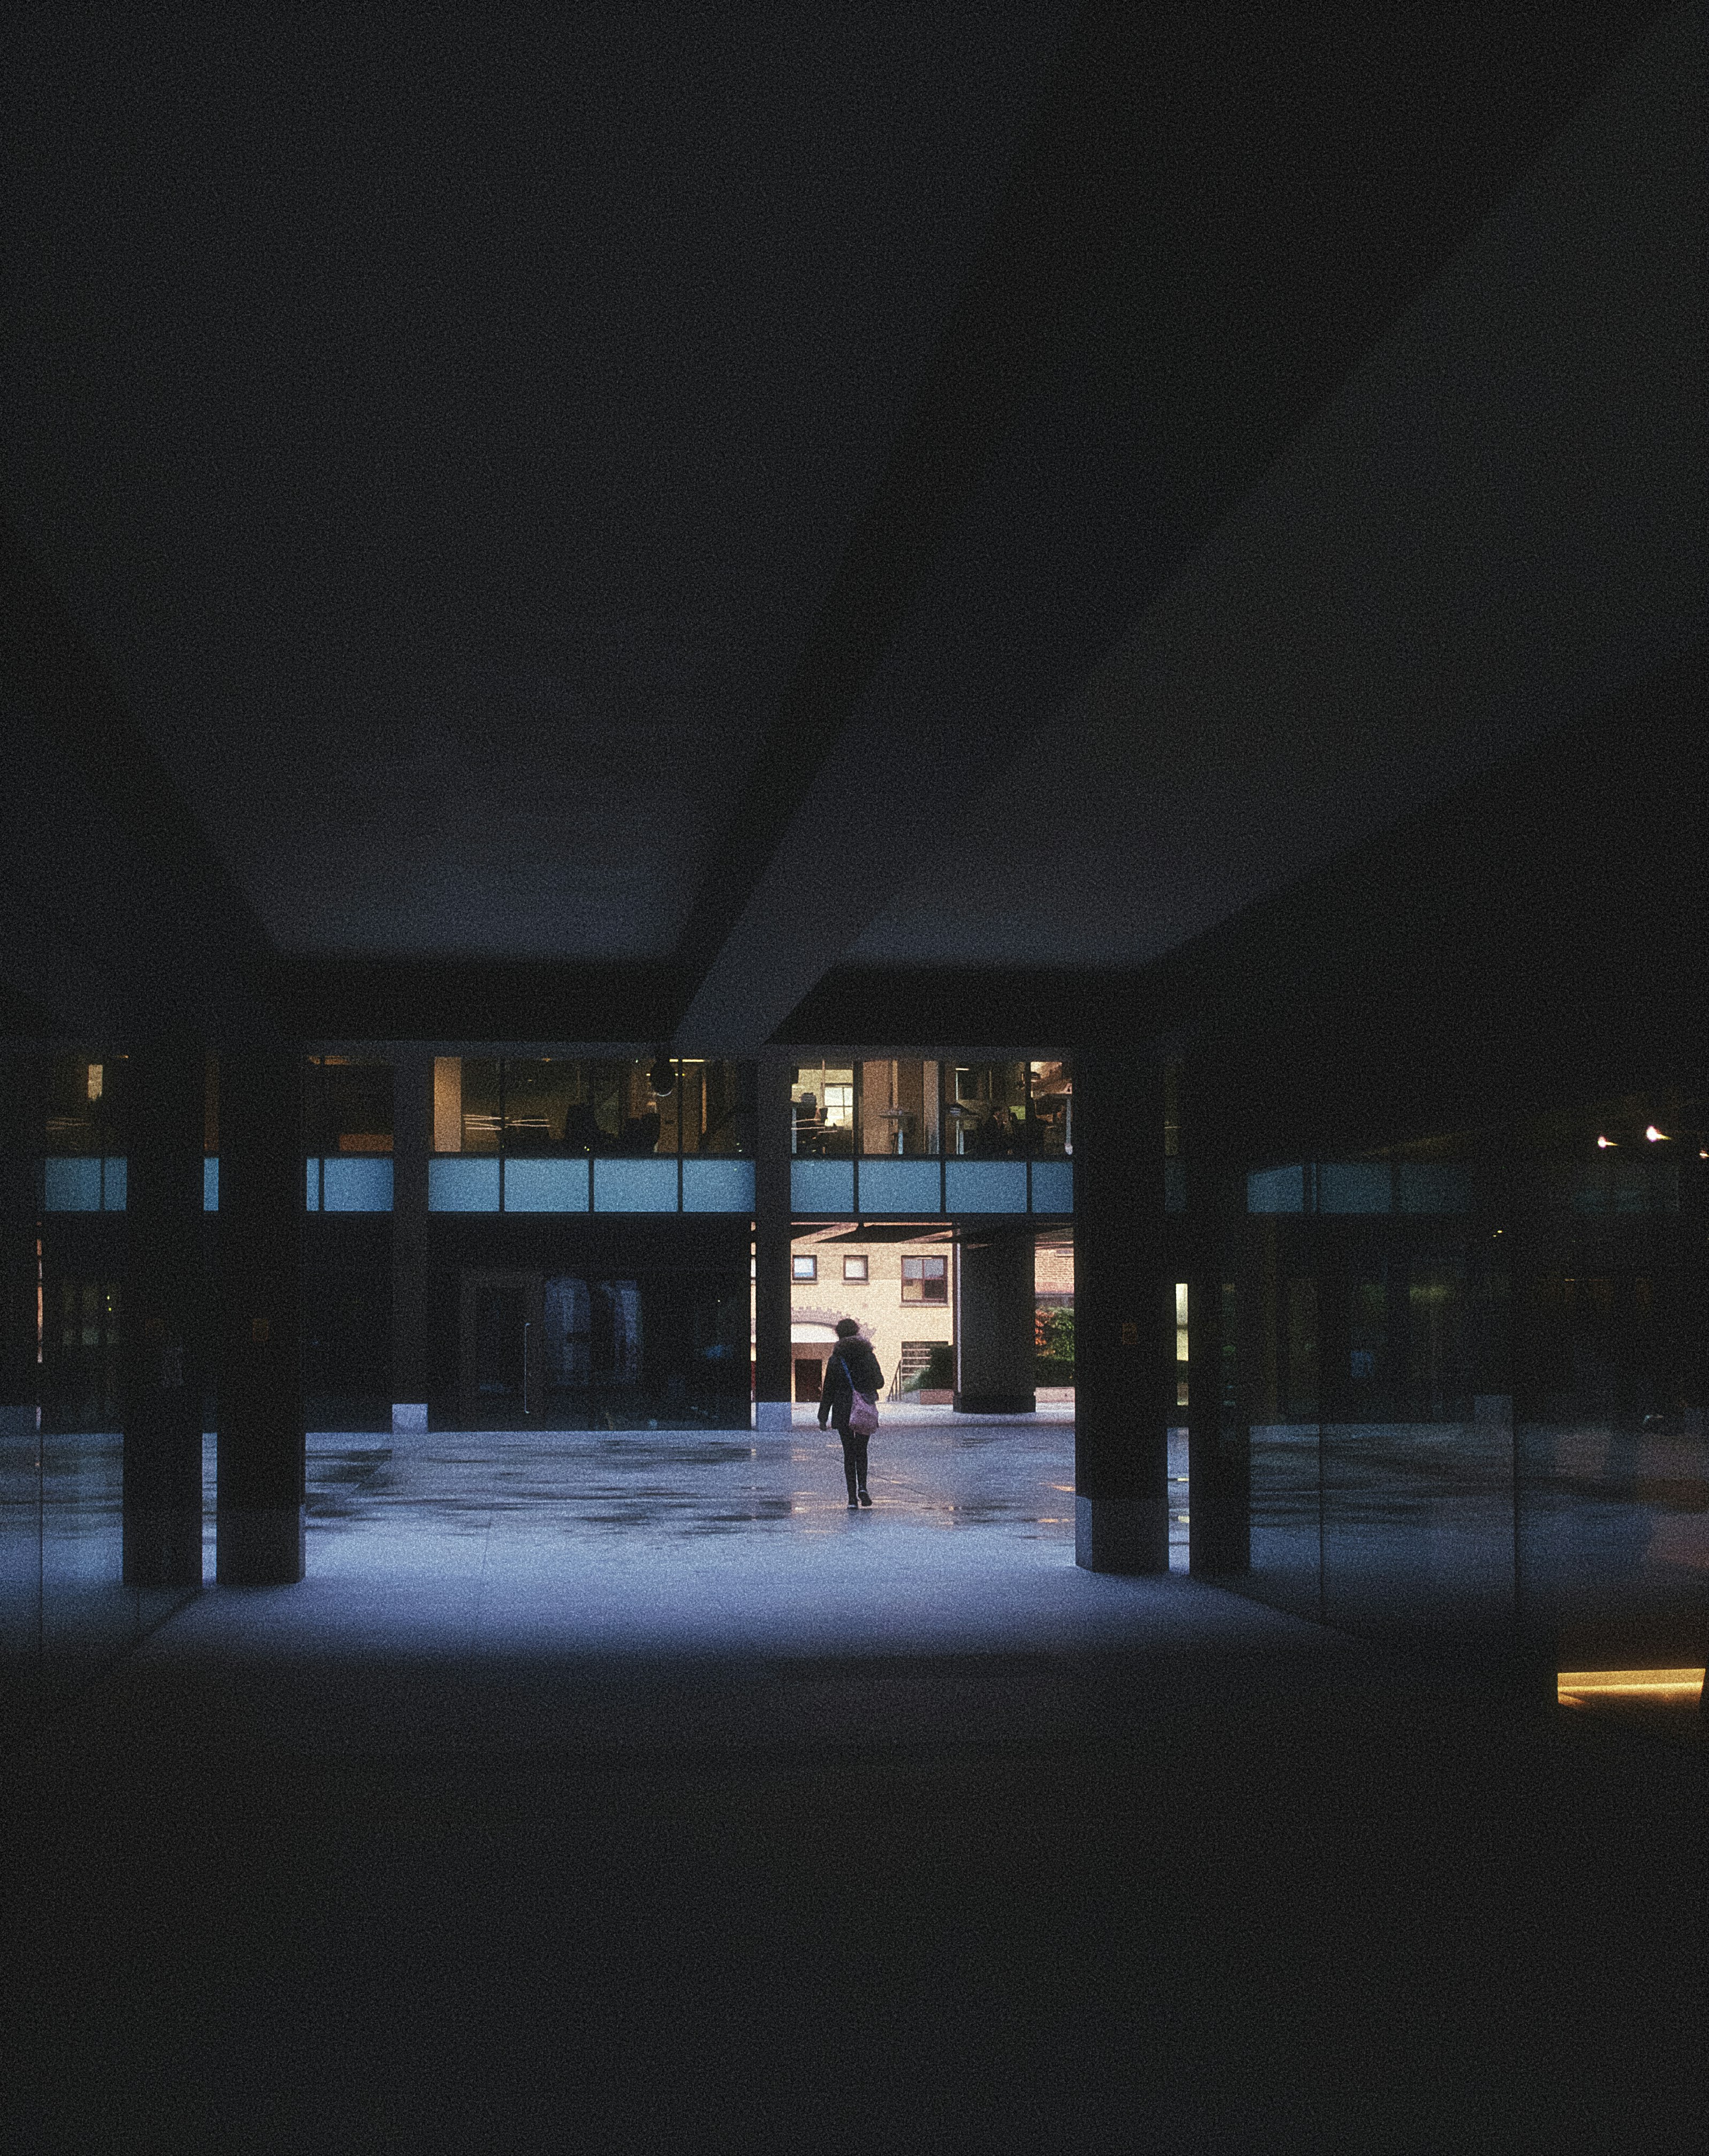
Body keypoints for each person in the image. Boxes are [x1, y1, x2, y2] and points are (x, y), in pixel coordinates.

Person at [818, 1316, 883, 1508]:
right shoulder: (868, 1356)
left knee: (849, 1453)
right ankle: (863, 1487)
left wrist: (823, 1417)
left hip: (843, 1409)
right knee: (862, 1450)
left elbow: (828, 1389)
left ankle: (852, 1499)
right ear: (857, 1332)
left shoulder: (836, 1359)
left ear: (838, 1334)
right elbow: (880, 1382)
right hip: (863, 1406)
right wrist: (864, 1386)